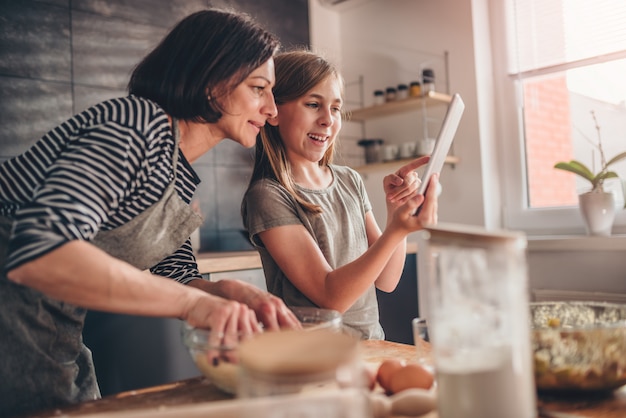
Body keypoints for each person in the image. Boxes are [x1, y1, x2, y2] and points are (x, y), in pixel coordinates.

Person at [0, 9, 301, 418]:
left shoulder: (175, 172)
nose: (273, 111)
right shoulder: (136, 123)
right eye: (258, 88)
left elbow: (174, 277)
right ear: (212, 80)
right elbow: (41, 254)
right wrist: (195, 307)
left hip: (47, 336)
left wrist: (231, 293)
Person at [241, 50, 439, 340]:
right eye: (312, 104)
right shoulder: (268, 195)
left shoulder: (349, 180)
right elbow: (331, 297)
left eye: (335, 108)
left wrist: (397, 214)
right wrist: (396, 231)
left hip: (371, 348)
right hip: (314, 357)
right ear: (275, 111)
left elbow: (387, 280)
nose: (327, 120)